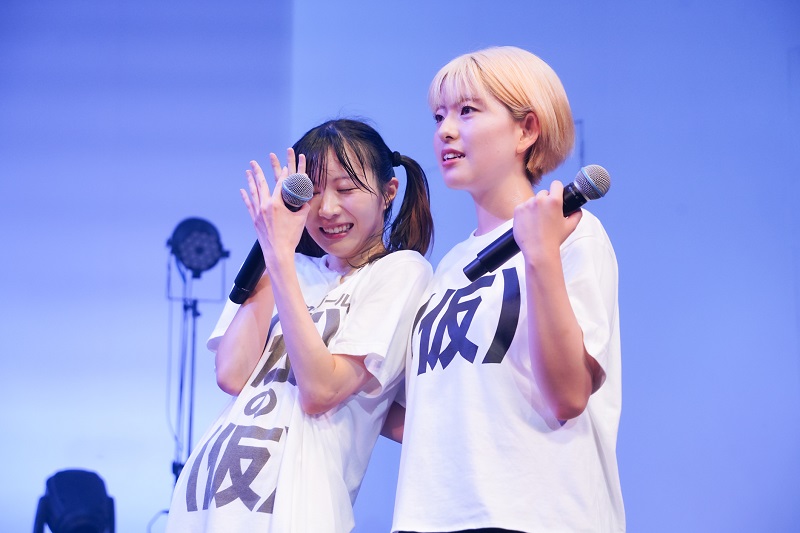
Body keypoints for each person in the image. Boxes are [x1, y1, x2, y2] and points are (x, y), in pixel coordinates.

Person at [392, 46, 624, 532]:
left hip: (536, 516)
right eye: (438, 116)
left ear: (526, 130)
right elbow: (431, 412)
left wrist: (540, 254)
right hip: (432, 517)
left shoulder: (574, 234)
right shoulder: (447, 269)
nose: (445, 130)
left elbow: (568, 395)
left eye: (467, 111)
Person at [166, 118, 434, 532]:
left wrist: (279, 261)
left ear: (388, 192)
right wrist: (277, 253)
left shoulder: (400, 271)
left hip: (294, 510)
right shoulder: (291, 266)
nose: (327, 209)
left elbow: (320, 391)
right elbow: (232, 375)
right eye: (314, 191)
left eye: (346, 189)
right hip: (207, 504)